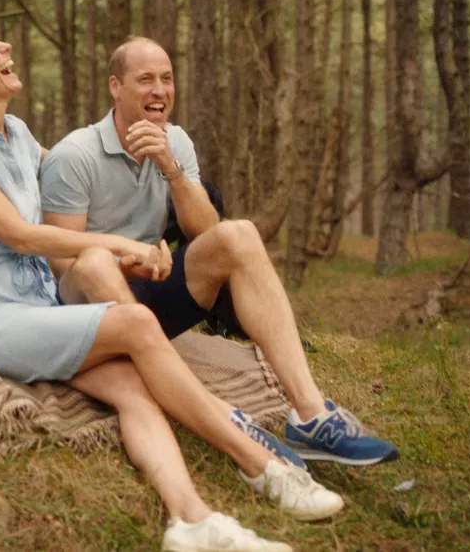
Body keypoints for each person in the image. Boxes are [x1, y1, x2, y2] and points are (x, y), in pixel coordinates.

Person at [0, 22, 341, 552]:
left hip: (41, 308)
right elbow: (16, 234)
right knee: (135, 323)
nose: (5, 46)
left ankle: (192, 521)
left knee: (133, 388)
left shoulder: (17, 135)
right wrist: (118, 246)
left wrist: (148, 214)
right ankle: (258, 461)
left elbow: (68, 179)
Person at [40, 36, 400, 468]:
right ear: (116, 87)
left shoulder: (178, 143)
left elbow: (207, 234)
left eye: (167, 79)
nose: (160, 91)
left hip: (153, 292)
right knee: (95, 264)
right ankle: (224, 420)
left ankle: (310, 414)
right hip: (90, 311)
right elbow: (60, 261)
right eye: (146, 80)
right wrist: (123, 262)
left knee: (239, 234)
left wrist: (170, 167)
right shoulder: (74, 155)